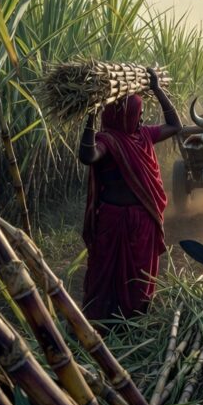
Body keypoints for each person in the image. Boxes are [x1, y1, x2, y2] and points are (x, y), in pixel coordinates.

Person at [78, 69, 181, 321]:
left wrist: (157, 90)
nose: (142, 119)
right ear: (122, 116)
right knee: (105, 271)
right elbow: (87, 156)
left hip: (142, 221)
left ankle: (135, 320)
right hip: (112, 221)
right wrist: (91, 116)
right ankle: (103, 321)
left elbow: (175, 125)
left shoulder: (144, 135)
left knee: (140, 274)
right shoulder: (108, 140)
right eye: (138, 114)